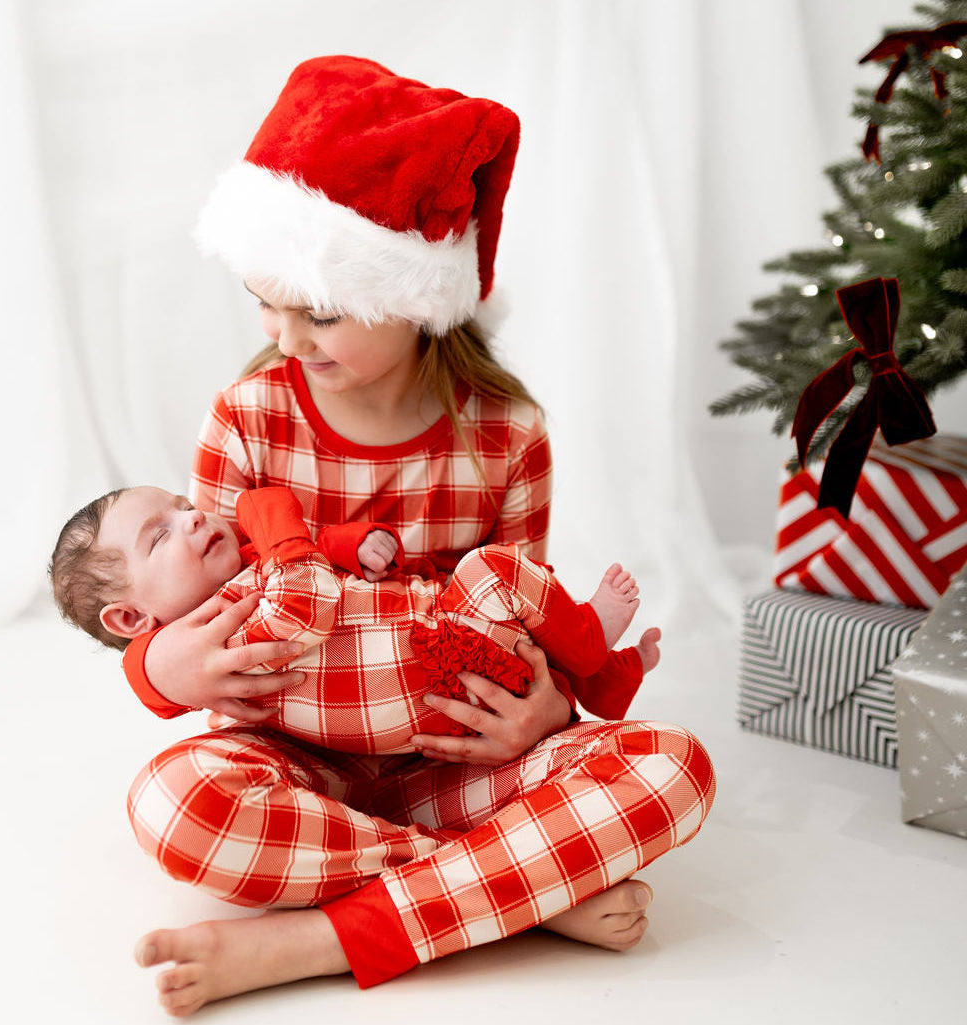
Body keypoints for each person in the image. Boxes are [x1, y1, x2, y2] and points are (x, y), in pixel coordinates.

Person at [114, 55, 715, 1017]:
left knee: (674, 768)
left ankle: (315, 940)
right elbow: (188, 598)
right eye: (265, 303)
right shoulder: (249, 417)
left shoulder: (507, 437)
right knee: (170, 803)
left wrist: (550, 713)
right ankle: (514, 895)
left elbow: (526, 610)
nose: (287, 335)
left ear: (422, 297)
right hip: (297, 760)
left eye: (320, 311)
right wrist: (158, 671)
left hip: (459, 761)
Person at [50, 483, 663, 752]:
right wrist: (273, 513)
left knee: (507, 599)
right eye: (159, 537)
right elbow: (302, 599)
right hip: (430, 681)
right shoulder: (217, 637)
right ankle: (587, 645)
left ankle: (593, 670)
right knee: (496, 571)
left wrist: (351, 545)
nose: (191, 518)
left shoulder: (249, 559)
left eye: (183, 506)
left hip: (451, 664)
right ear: (131, 616)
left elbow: (312, 558)